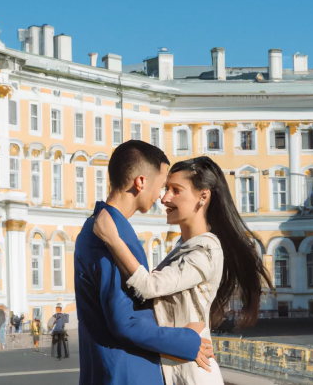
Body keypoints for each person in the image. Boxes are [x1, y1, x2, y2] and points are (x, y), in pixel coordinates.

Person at [94, 156, 274, 385]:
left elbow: (150, 286)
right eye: (166, 188)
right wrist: (184, 338)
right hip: (179, 367)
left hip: (193, 375)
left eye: (175, 190)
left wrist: (112, 239)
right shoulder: (183, 247)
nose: (164, 197)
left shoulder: (206, 251)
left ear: (203, 196)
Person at [75, 141, 214, 385]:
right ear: (140, 182)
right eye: (161, 185)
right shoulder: (114, 235)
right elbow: (127, 322)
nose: (161, 196)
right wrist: (188, 341)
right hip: (128, 374)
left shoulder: (97, 226)